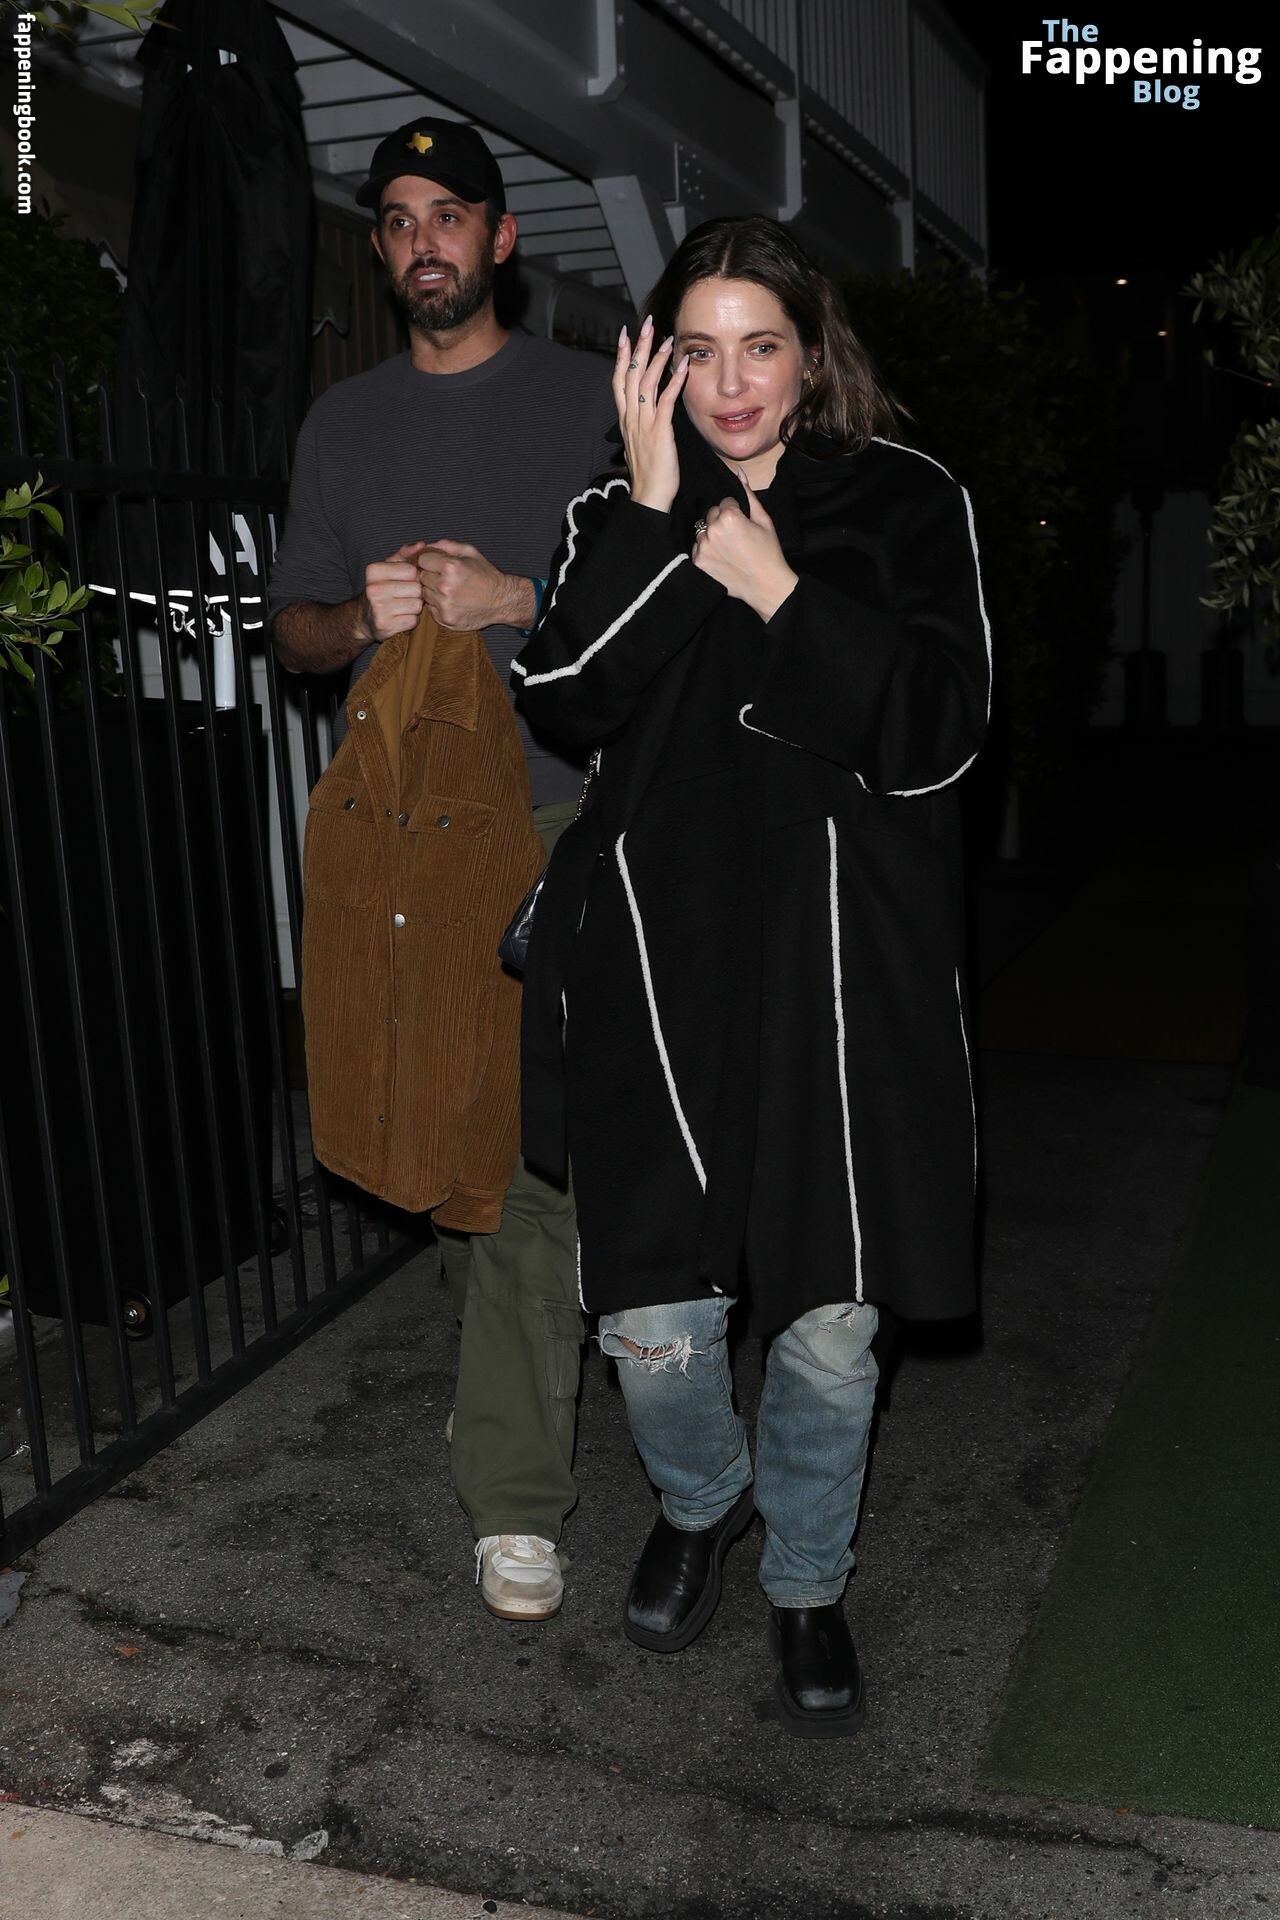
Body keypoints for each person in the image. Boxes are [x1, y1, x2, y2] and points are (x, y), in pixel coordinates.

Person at [513, 216, 991, 1733]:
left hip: (839, 965)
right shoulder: (616, 512)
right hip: (662, 964)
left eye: (761, 346)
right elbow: (565, 698)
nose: (731, 384)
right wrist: (661, 513)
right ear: (656, 364)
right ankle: (702, 1495)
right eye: (699, 350)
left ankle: (805, 1581)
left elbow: (941, 730)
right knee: (654, 1317)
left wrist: (784, 592)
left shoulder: (905, 499)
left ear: (810, 352)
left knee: (831, 1322)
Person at [268, 118, 618, 1623]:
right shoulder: (340, 424)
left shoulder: (591, 404)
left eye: (451, 214)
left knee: (530, 1164)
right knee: (437, 1129)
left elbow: (665, 605)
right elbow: (294, 634)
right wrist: (364, 617)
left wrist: (515, 597)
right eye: (401, 218)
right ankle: (504, 1392)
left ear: (502, 237)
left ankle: (517, 1498)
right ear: (382, 247)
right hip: (393, 843)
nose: (426, 241)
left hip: (546, 825)